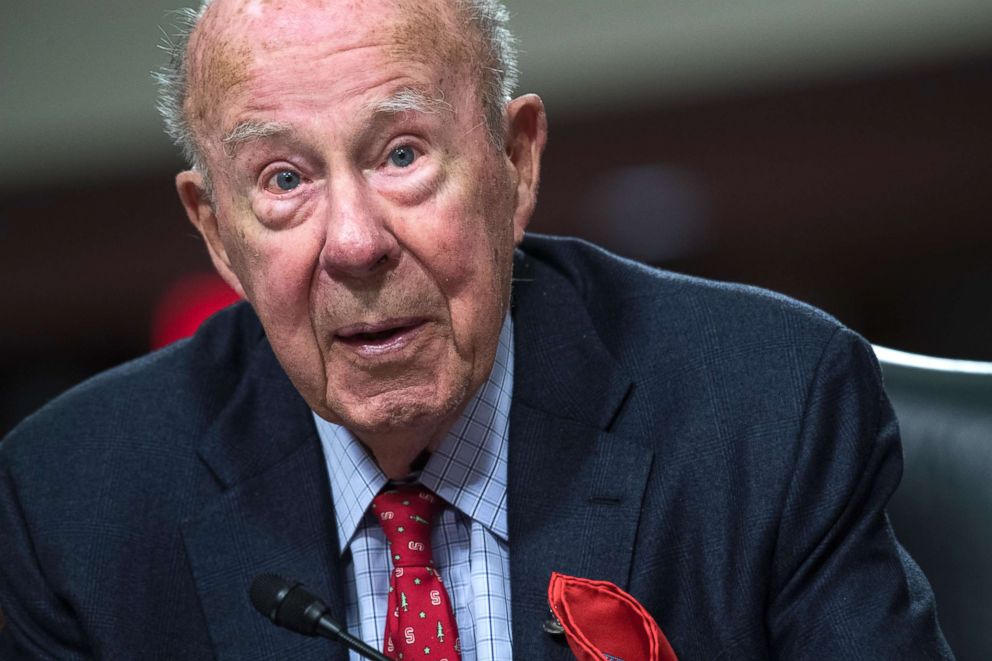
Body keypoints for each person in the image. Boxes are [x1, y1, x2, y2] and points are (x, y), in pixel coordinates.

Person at [0, 0, 953, 659]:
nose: (356, 244)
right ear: (216, 231)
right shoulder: (71, 506)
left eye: (402, 154)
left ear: (516, 161)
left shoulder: (768, 408)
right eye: (284, 180)